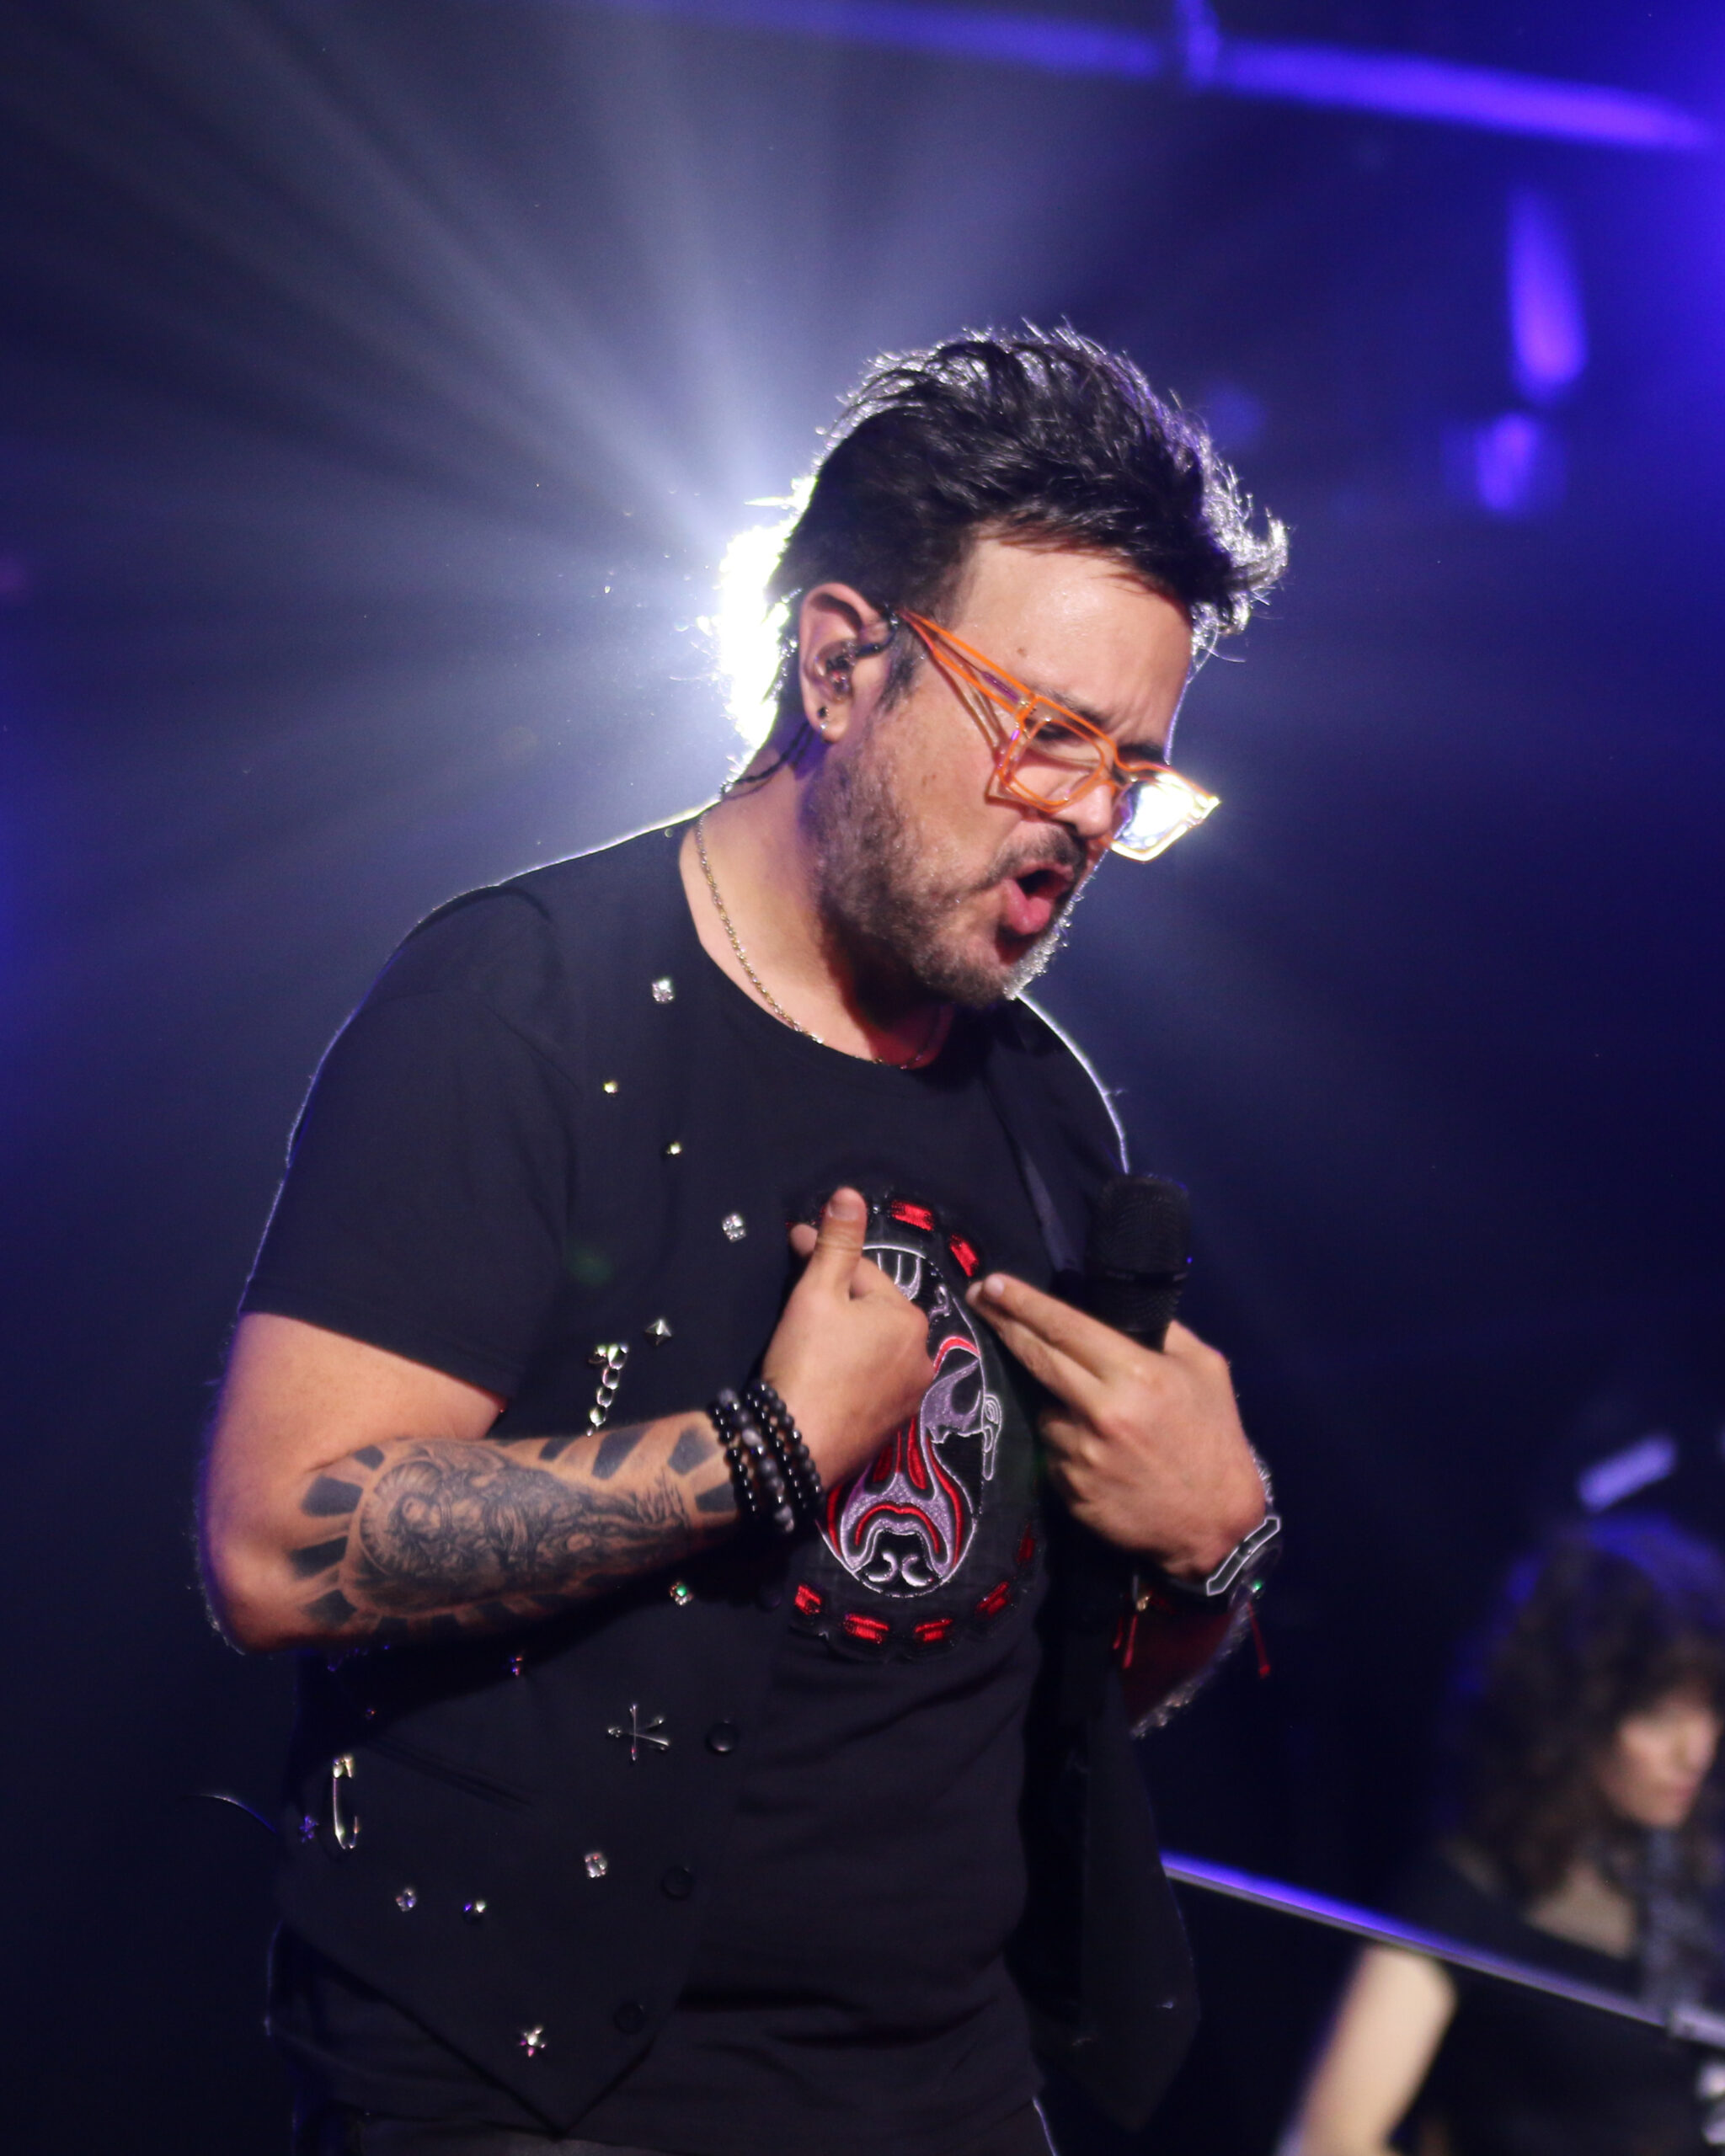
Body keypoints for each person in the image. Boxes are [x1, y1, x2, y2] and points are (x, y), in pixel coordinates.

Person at [200, 328, 1287, 2156]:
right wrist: (765, 1451)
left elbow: (1041, 1693)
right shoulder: (521, 1003)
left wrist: (1209, 1551)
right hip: (531, 2099)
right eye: (1046, 735)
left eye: (1133, 772)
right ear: (840, 660)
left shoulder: (1048, 1118)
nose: (1090, 820)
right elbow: (274, 1543)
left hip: (941, 2092)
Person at [1284, 1516, 1725, 2156]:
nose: (1696, 1750)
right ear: (1578, 1715)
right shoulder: (1471, 1893)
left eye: (1709, 1709)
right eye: (1658, 1716)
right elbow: (1332, 2139)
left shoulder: (1696, 1885)